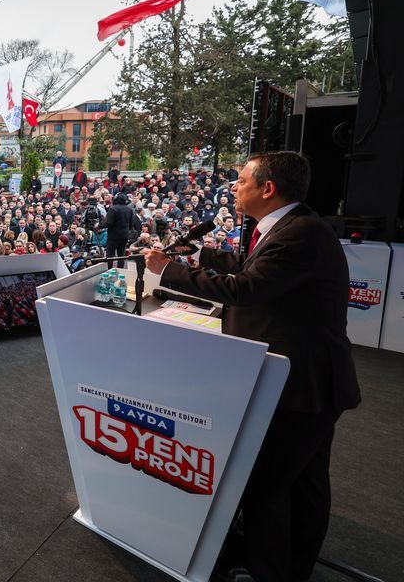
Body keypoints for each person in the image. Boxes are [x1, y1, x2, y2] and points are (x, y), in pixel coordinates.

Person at [142, 152, 361, 582]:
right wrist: (202, 254)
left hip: (301, 384)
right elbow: (250, 266)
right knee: (302, 481)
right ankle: (293, 564)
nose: (234, 188)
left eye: (241, 181)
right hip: (304, 378)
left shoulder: (302, 234)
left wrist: (169, 270)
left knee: (269, 482)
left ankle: (268, 570)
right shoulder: (290, 228)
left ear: (268, 188)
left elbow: (248, 287)